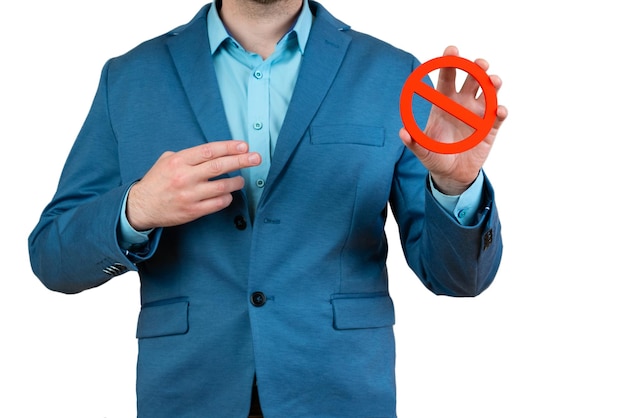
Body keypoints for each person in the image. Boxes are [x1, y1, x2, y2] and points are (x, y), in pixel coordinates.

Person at [28, 0, 507, 416]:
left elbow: (459, 279)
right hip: (188, 393)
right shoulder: (131, 77)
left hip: (339, 393)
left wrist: (455, 184)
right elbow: (53, 256)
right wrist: (136, 209)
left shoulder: (389, 73)